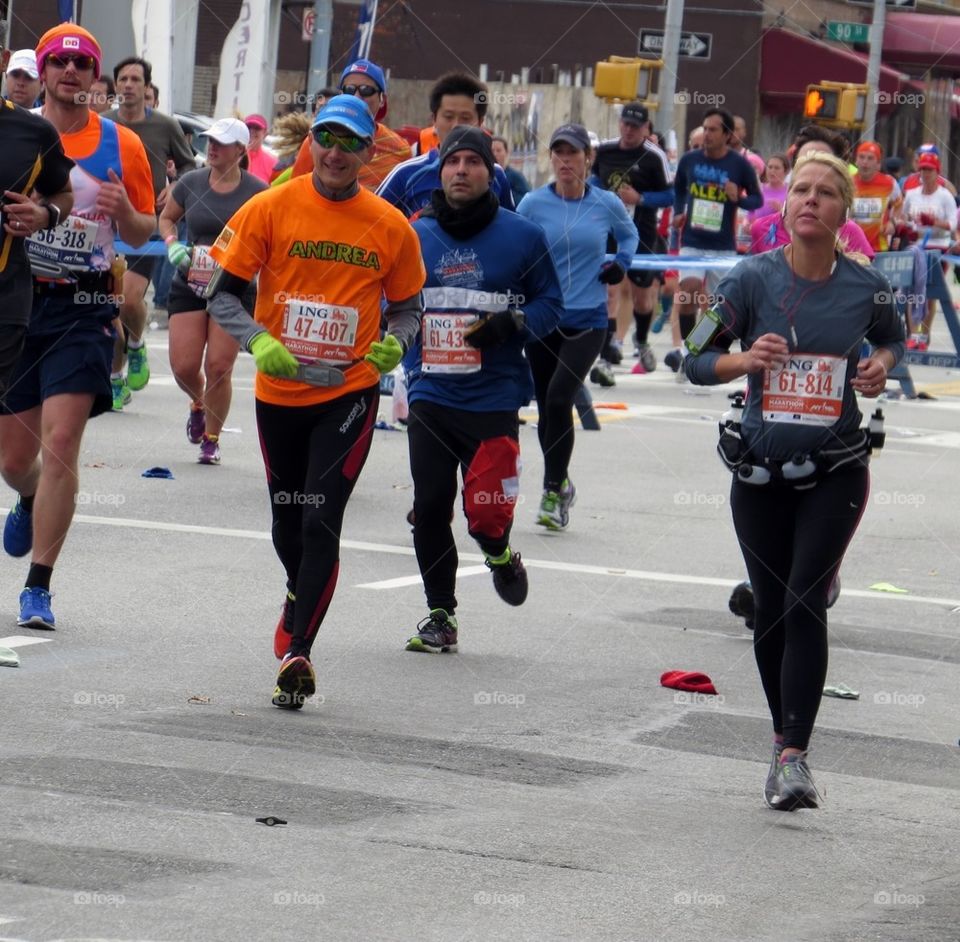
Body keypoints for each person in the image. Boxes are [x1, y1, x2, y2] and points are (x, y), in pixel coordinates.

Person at [685, 151, 904, 810]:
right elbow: (690, 355)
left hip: (837, 470)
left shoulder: (869, 286)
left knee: (806, 600)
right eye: (800, 191)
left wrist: (879, 365)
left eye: (824, 193)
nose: (809, 200)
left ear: (844, 211)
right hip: (758, 472)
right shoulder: (748, 279)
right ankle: (783, 739)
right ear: (784, 208)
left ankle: (793, 756)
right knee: (771, 610)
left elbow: (893, 339)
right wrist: (741, 358)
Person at [206, 94, 425, 708]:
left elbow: (410, 306)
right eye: (327, 138)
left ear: (365, 152)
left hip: (348, 393)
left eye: (350, 142)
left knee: (319, 515)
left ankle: (299, 651)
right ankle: (298, 589)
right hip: (279, 391)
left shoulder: (390, 226)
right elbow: (222, 296)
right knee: (286, 520)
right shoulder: (270, 207)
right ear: (313, 144)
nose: (335, 152)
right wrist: (258, 340)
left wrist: (394, 346)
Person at [1, 24, 154, 630]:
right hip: (18, 303)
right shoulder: (19, 131)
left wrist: (126, 214)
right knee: (14, 457)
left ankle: (39, 584)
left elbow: (146, 233)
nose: (71, 72)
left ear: (97, 80)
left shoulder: (123, 145)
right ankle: (29, 494)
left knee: (62, 442)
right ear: (42, 71)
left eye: (83, 64)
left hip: (86, 308)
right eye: (59, 62)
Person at [403, 125, 562, 653]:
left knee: (487, 515)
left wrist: (512, 324)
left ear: (489, 173)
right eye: (453, 163)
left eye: (473, 162)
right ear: (440, 172)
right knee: (429, 506)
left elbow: (550, 305)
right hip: (432, 393)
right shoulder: (416, 235)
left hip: (494, 396)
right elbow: (393, 304)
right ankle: (440, 614)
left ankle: (498, 553)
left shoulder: (522, 235)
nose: (462, 171)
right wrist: (403, 359)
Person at [517, 123, 637, 529]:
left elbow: (630, 236)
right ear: (551, 159)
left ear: (588, 159)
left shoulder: (605, 203)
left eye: (573, 153)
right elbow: (515, 241)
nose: (565, 161)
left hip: (587, 319)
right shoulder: (533, 204)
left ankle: (551, 491)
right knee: (547, 410)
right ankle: (561, 483)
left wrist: (621, 263)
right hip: (542, 317)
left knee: (557, 398)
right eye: (559, 153)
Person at [158, 118, 266, 464]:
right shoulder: (191, 182)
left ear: (240, 150)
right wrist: (173, 243)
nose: (213, 147)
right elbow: (166, 217)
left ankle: (212, 438)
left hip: (234, 288)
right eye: (210, 141)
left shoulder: (258, 191)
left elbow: (272, 236)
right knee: (184, 367)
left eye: (221, 142)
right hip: (191, 281)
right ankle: (197, 402)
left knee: (219, 365)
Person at [107, 56, 196, 409]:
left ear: (147, 87)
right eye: (123, 79)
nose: (129, 85)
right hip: (106, 227)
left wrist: (175, 188)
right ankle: (115, 380)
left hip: (147, 226)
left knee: (129, 299)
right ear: (116, 86)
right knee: (108, 306)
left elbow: (191, 165)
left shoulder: (165, 125)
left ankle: (137, 344)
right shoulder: (103, 124)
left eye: (135, 79)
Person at [669, 108, 762, 376]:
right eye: (705, 128)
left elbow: (757, 199)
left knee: (717, 304)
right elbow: (678, 190)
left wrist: (739, 199)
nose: (707, 134)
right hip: (692, 240)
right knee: (688, 290)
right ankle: (688, 350)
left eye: (713, 130)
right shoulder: (689, 161)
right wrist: (678, 212)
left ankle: (701, 348)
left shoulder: (739, 165)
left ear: (727, 135)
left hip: (722, 245)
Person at [0, 89, 74, 399]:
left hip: (6, 292)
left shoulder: (34, 131)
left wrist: (45, 214)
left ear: (3, 59)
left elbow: (63, 193)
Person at [591, 102, 673, 379]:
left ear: (645, 129)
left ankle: (641, 339)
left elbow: (671, 196)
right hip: (607, 233)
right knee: (609, 292)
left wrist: (640, 199)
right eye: (625, 124)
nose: (628, 130)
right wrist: (601, 194)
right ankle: (606, 354)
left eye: (635, 127)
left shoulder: (654, 157)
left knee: (642, 298)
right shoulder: (605, 149)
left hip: (641, 233)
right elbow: (592, 179)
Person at [376, 72, 515, 217]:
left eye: (465, 118)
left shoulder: (496, 175)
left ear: (480, 122)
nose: (456, 125)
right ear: (434, 120)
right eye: (448, 117)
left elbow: (512, 228)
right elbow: (372, 224)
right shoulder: (406, 173)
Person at [289, 60, 411, 191]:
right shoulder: (318, 139)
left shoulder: (399, 149)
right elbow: (295, 193)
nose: (356, 96)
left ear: (382, 99)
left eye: (366, 90)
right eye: (349, 90)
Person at [901, 151, 956, 350]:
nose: (925, 173)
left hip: (938, 248)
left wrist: (934, 222)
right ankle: (912, 334)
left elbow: (952, 224)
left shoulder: (945, 196)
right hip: (916, 247)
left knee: (929, 293)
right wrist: (905, 225)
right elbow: (904, 216)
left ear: (937, 171)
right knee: (912, 290)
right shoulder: (912, 194)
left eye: (929, 170)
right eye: (923, 169)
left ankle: (924, 335)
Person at [851, 141, 901, 253]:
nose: (865, 162)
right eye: (861, 157)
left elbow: (899, 206)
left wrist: (892, 222)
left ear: (878, 165)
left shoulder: (889, 183)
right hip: (852, 248)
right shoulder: (847, 183)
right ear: (856, 161)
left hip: (879, 248)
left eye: (870, 158)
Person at [491, 135, 530, 205]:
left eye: (498, 150)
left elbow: (526, 199)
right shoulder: (484, 175)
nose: (495, 154)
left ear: (506, 152)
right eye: (492, 150)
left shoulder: (516, 176)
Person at [242, 114, 277, 182]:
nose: (252, 131)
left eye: (257, 128)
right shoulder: (233, 157)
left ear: (265, 133)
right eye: (248, 127)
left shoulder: (273, 163)